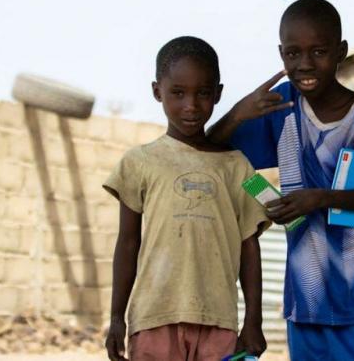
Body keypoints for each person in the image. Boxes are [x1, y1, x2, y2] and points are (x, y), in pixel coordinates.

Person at [209, 0, 354, 360]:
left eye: (318, 51)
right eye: (292, 53)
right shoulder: (281, 107)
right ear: (281, 54)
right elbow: (213, 150)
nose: (304, 64)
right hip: (308, 297)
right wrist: (239, 113)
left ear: (340, 51)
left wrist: (320, 198)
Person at [103, 36, 270, 361]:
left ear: (218, 94)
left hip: (218, 322)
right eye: (177, 93)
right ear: (157, 92)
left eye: (203, 93)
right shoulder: (138, 162)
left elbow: (250, 246)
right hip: (153, 319)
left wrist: (254, 320)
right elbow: (127, 243)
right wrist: (115, 319)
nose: (191, 106)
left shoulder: (239, 167)